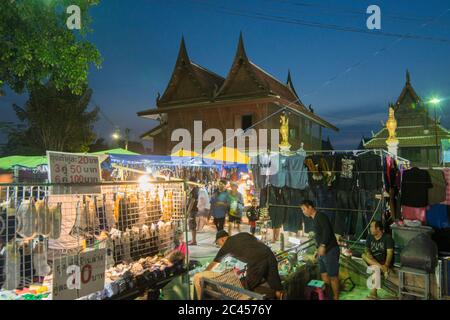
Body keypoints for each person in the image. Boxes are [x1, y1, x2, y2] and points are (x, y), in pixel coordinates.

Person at [198, 231, 284, 300]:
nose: (219, 246)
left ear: (222, 239)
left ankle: (269, 294)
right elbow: (255, 244)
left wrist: (202, 274)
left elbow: (214, 264)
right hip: (269, 254)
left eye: (218, 243)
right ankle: (279, 295)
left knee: (246, 287)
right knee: (276, 285)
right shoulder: (243, 234)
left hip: (256, 261)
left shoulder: (226, 246)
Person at [300, 200, 340, 300]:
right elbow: (320, 236)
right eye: (302, 210)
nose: (303, 212)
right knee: (324, 274)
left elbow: (327, 231)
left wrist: (323, 245)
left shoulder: (321, 216)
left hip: (330, 250)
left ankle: (336, 297)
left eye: (304, 209)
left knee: (333, 276)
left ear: (310, 207)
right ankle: (328, 295)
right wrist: (317, 250)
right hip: (322, 252)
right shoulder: (314, 219)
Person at [362, 220, 394, 300]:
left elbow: (390, 253)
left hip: (383, 262)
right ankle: (382, 268)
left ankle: (373, 294)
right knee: (364, 255)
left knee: (375, 269)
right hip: (374, 261)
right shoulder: (369, 236)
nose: (370, 229)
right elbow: (366, 249)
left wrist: (386, 265)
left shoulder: (387, 238)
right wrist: (368, 253)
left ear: (378, 228)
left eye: (372, 227)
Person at [187, 181, 200, 245]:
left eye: (189, 182)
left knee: (192, 226)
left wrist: (188, 211)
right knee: (192, 225)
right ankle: (193, 239)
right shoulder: (196, 190)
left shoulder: (194, 191)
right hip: (194, 210)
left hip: (193, 211)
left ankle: (194, 241)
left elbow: (192, 202)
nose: (188, 184)